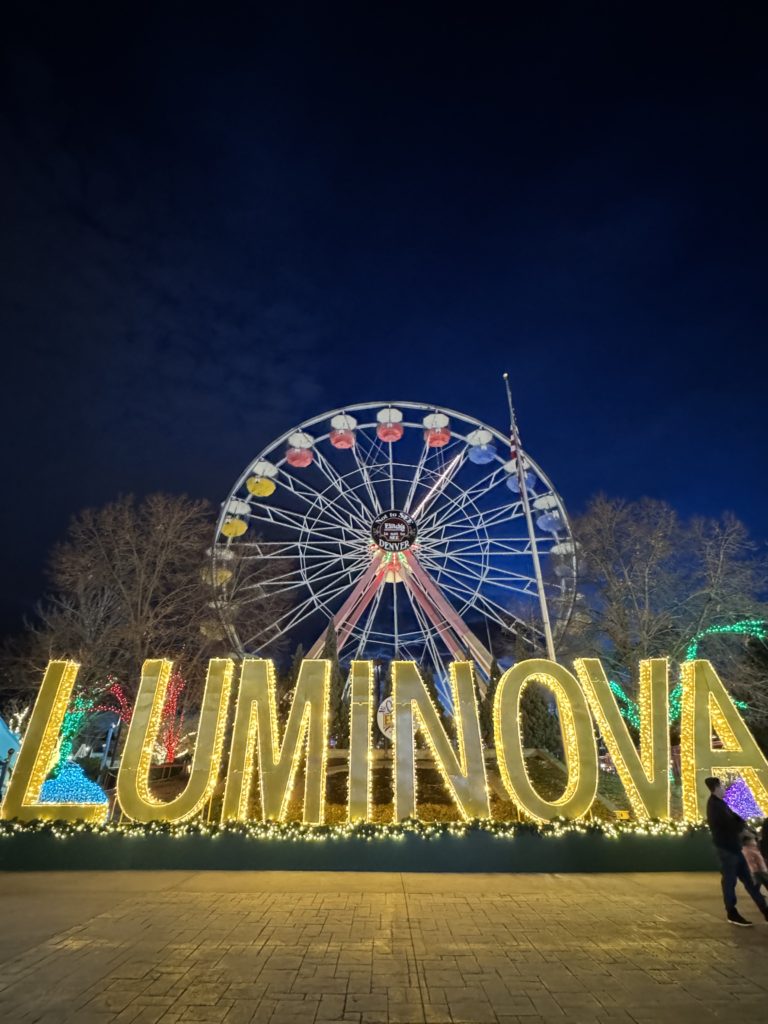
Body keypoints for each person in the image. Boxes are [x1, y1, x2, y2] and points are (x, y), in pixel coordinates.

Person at [705, 776, 768, 927]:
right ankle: (732, 912)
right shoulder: (715, 806)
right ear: (716, 788)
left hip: (734, 848)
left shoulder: (720, 804)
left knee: (749, 882)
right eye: (721, 786)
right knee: (730, 882)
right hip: (727, 850)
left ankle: (765, 911)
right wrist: (741, 826)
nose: (724, 789)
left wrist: (741, 824)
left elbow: (734, 821)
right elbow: (729, 825)